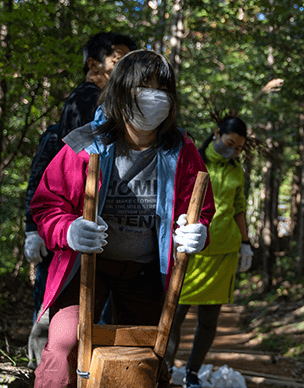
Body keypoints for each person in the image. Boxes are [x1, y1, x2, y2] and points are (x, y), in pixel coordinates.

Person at [30, 49, 215, 388]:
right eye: (144, 86)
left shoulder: (182, 150)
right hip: (86, 268)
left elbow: (200, 207)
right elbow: (46, 204)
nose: (155, 96)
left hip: (144, 271)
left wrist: (198, 231)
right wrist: (68, 230)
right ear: (120, 91)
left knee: (148, 355)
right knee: (63, 343)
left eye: (163, 88)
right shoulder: (85, 144)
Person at [23, 32, 137, 368]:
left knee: (63, 314)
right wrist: (35, 226)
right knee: (62, 317)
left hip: (79, 229)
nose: (125, 67)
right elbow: (53, 165)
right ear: (92, 65)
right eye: (118, 58)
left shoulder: (97, 102)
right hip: (71, 230)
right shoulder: (90, 101)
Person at [165, 115, 254, 388]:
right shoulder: (193, 158)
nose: (234, 151)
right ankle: (165, 368)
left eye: (239, 148)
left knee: (208, 319)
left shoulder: (235, 169)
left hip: (224, 251)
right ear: (216, 134)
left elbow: (239, 207)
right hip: (190, 250)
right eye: (230, 144)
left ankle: (192, 373)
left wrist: (246, 242)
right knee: (175, 314)